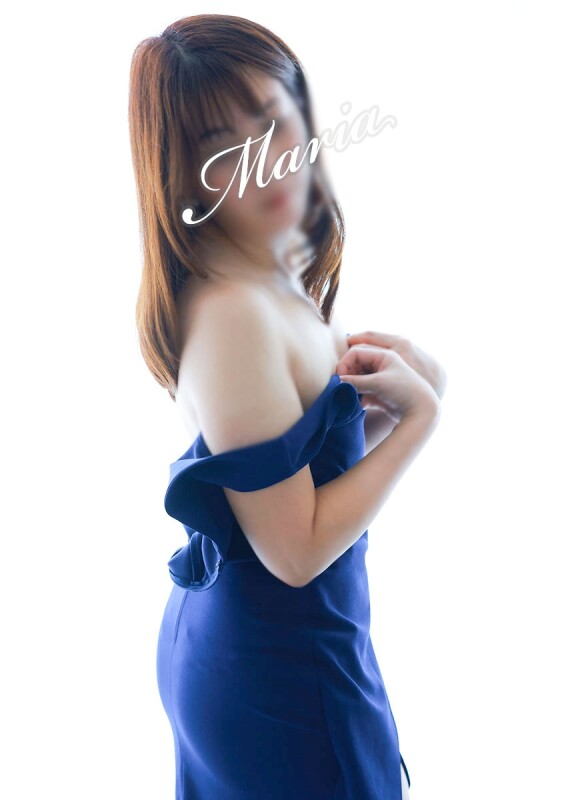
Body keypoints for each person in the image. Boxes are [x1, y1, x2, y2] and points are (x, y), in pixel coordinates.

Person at [129, 13, 444, 800]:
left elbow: (294, 463)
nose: (262, 162)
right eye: (220, 147)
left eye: (272, 121)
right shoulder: (232, 312)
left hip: (267, 644)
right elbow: (294, 551)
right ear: (180, 171)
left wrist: (400, 394)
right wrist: (421, 423)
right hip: (278, 669)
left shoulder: (267, 266)